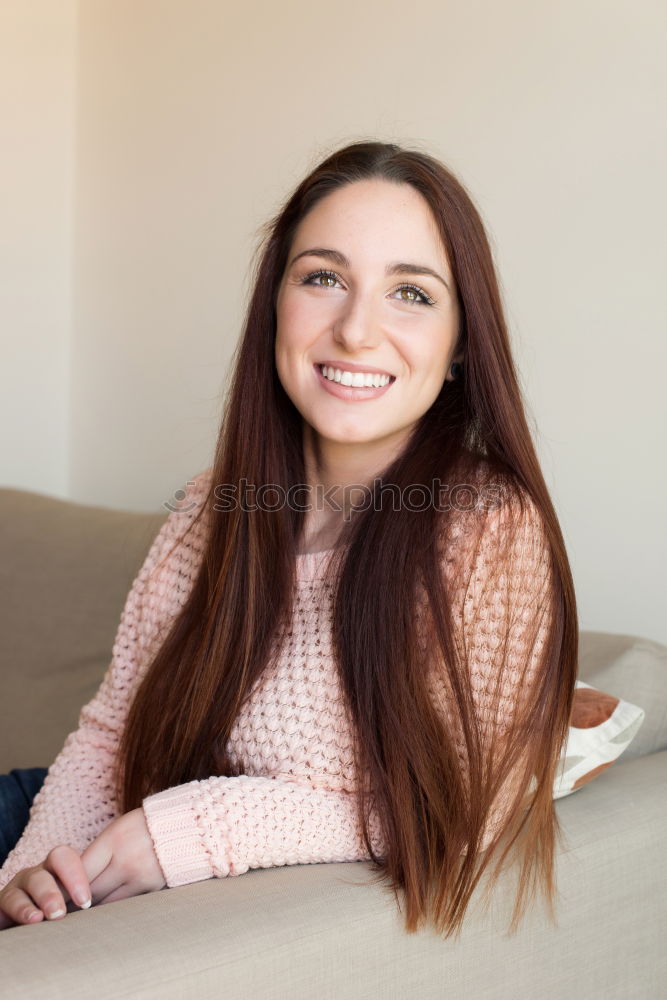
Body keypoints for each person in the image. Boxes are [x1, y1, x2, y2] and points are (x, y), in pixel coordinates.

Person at [0, 139, 577, 937]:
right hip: (66, 840)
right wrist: (33, 873)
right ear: (275, 305)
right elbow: (109, 737)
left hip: (159, 869)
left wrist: (196, 832)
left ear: (459, 348)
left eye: (410, 293)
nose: (355, 330)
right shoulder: (210, 509)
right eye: (323, 278)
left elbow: (469, 807)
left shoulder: (489, 530)